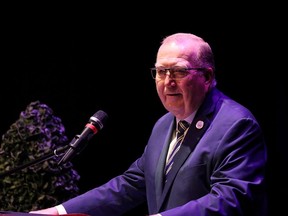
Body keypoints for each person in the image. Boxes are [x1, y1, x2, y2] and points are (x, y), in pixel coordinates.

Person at [29, 33, 268, 216]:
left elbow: (232, 198)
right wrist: (60, 211)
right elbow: (132, 184)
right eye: (161, 72)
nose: (167, 82)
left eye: (178, 72)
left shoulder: (236, 125)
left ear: (206, 76)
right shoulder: (164, 125)